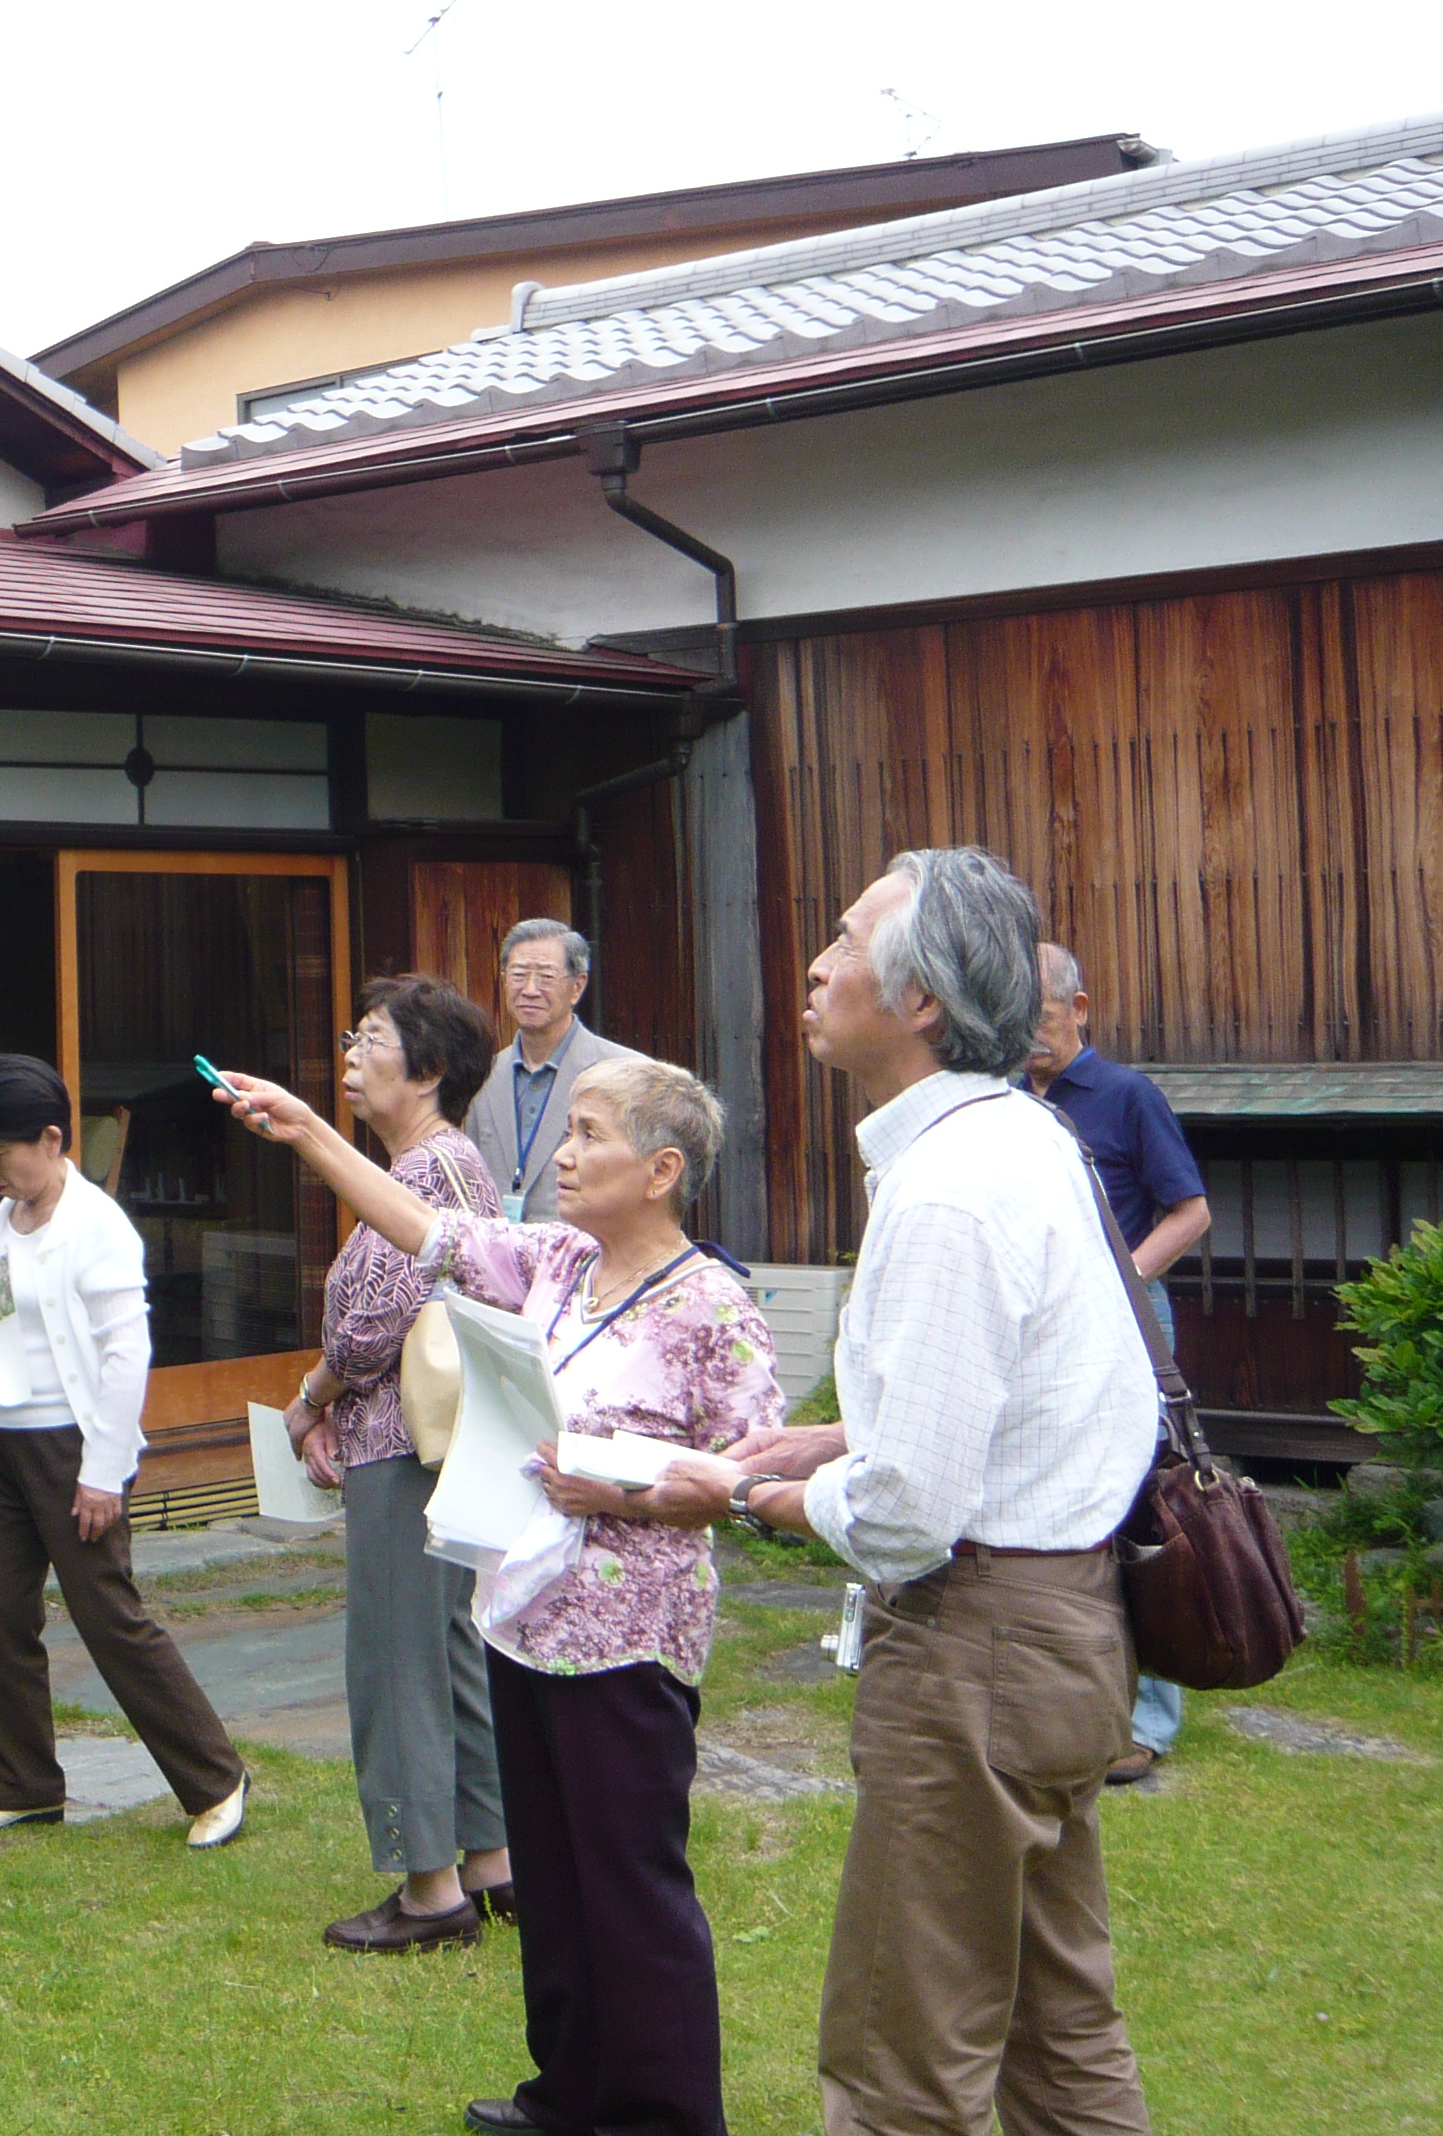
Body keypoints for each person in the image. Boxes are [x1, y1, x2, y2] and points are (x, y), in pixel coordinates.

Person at [660, 848, 1159, 2136]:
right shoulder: (1023, 1141)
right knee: (1062, 2034)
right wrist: (832, 1439)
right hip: (1059, 1631)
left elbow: (909, 1517)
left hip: (974, 1648)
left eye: (844, 937)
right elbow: (1041, 1402)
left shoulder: (948, 1189)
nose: (816, 966)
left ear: (923, 998)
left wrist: (736, 1492)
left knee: (902, 2062)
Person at [220, 1051, 779, 2136]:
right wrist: (306, 1133)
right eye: (566, 1131)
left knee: (629, 1886)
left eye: (590, 1136)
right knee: (557, 1888)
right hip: (524, 1622)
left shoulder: (716, 1307)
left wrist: (622, 1489)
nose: (563, 1155)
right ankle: (566, 2093)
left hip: (627, 1644)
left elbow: (749, 1481)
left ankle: (663, 2115)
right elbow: (424, 1227)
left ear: (661, 1168)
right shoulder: (560, 1263)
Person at [0, 1053, 251, 1852]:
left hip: (72, 1449)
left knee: (110, 1618)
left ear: (50, 1139)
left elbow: (124, 1355)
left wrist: (103, 1472)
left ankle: (215, 1780)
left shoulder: (96, 1225)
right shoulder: (7, 1215)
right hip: (5, 1444)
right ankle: (23, 1786)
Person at [270, 976, 513, 1952]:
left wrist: (310, 1398)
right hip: (457, 1444)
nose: (351, 1055)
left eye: (371, 1039)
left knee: (396, 1660)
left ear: (430, 1072)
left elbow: (370, 1321)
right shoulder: (461, 1167)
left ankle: (429, 1889)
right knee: (452, 1652)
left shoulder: (419, 1175)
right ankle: (494, 1862)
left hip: (401, 1446)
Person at [1022, 940, 1208, 1786]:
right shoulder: (1003, 1103)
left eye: (1044, 1015)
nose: (1028, 1034)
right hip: (1039, 1323)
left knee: (1141, 1506)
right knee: (1058, 1500)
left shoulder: (1127, 1095)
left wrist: (1119, 1277)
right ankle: (1067, 1697)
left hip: (1130, 1318)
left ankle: (1149, 1721)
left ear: (1082, 1008)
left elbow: (1190, 1211)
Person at [464, 919, 628, 1224]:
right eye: (518, 975)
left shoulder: (625, 1073)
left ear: (577, 986)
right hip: (500, 1260)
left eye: (545, 977)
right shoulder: (484, 1076)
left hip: (587, 1259)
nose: (529, 990)